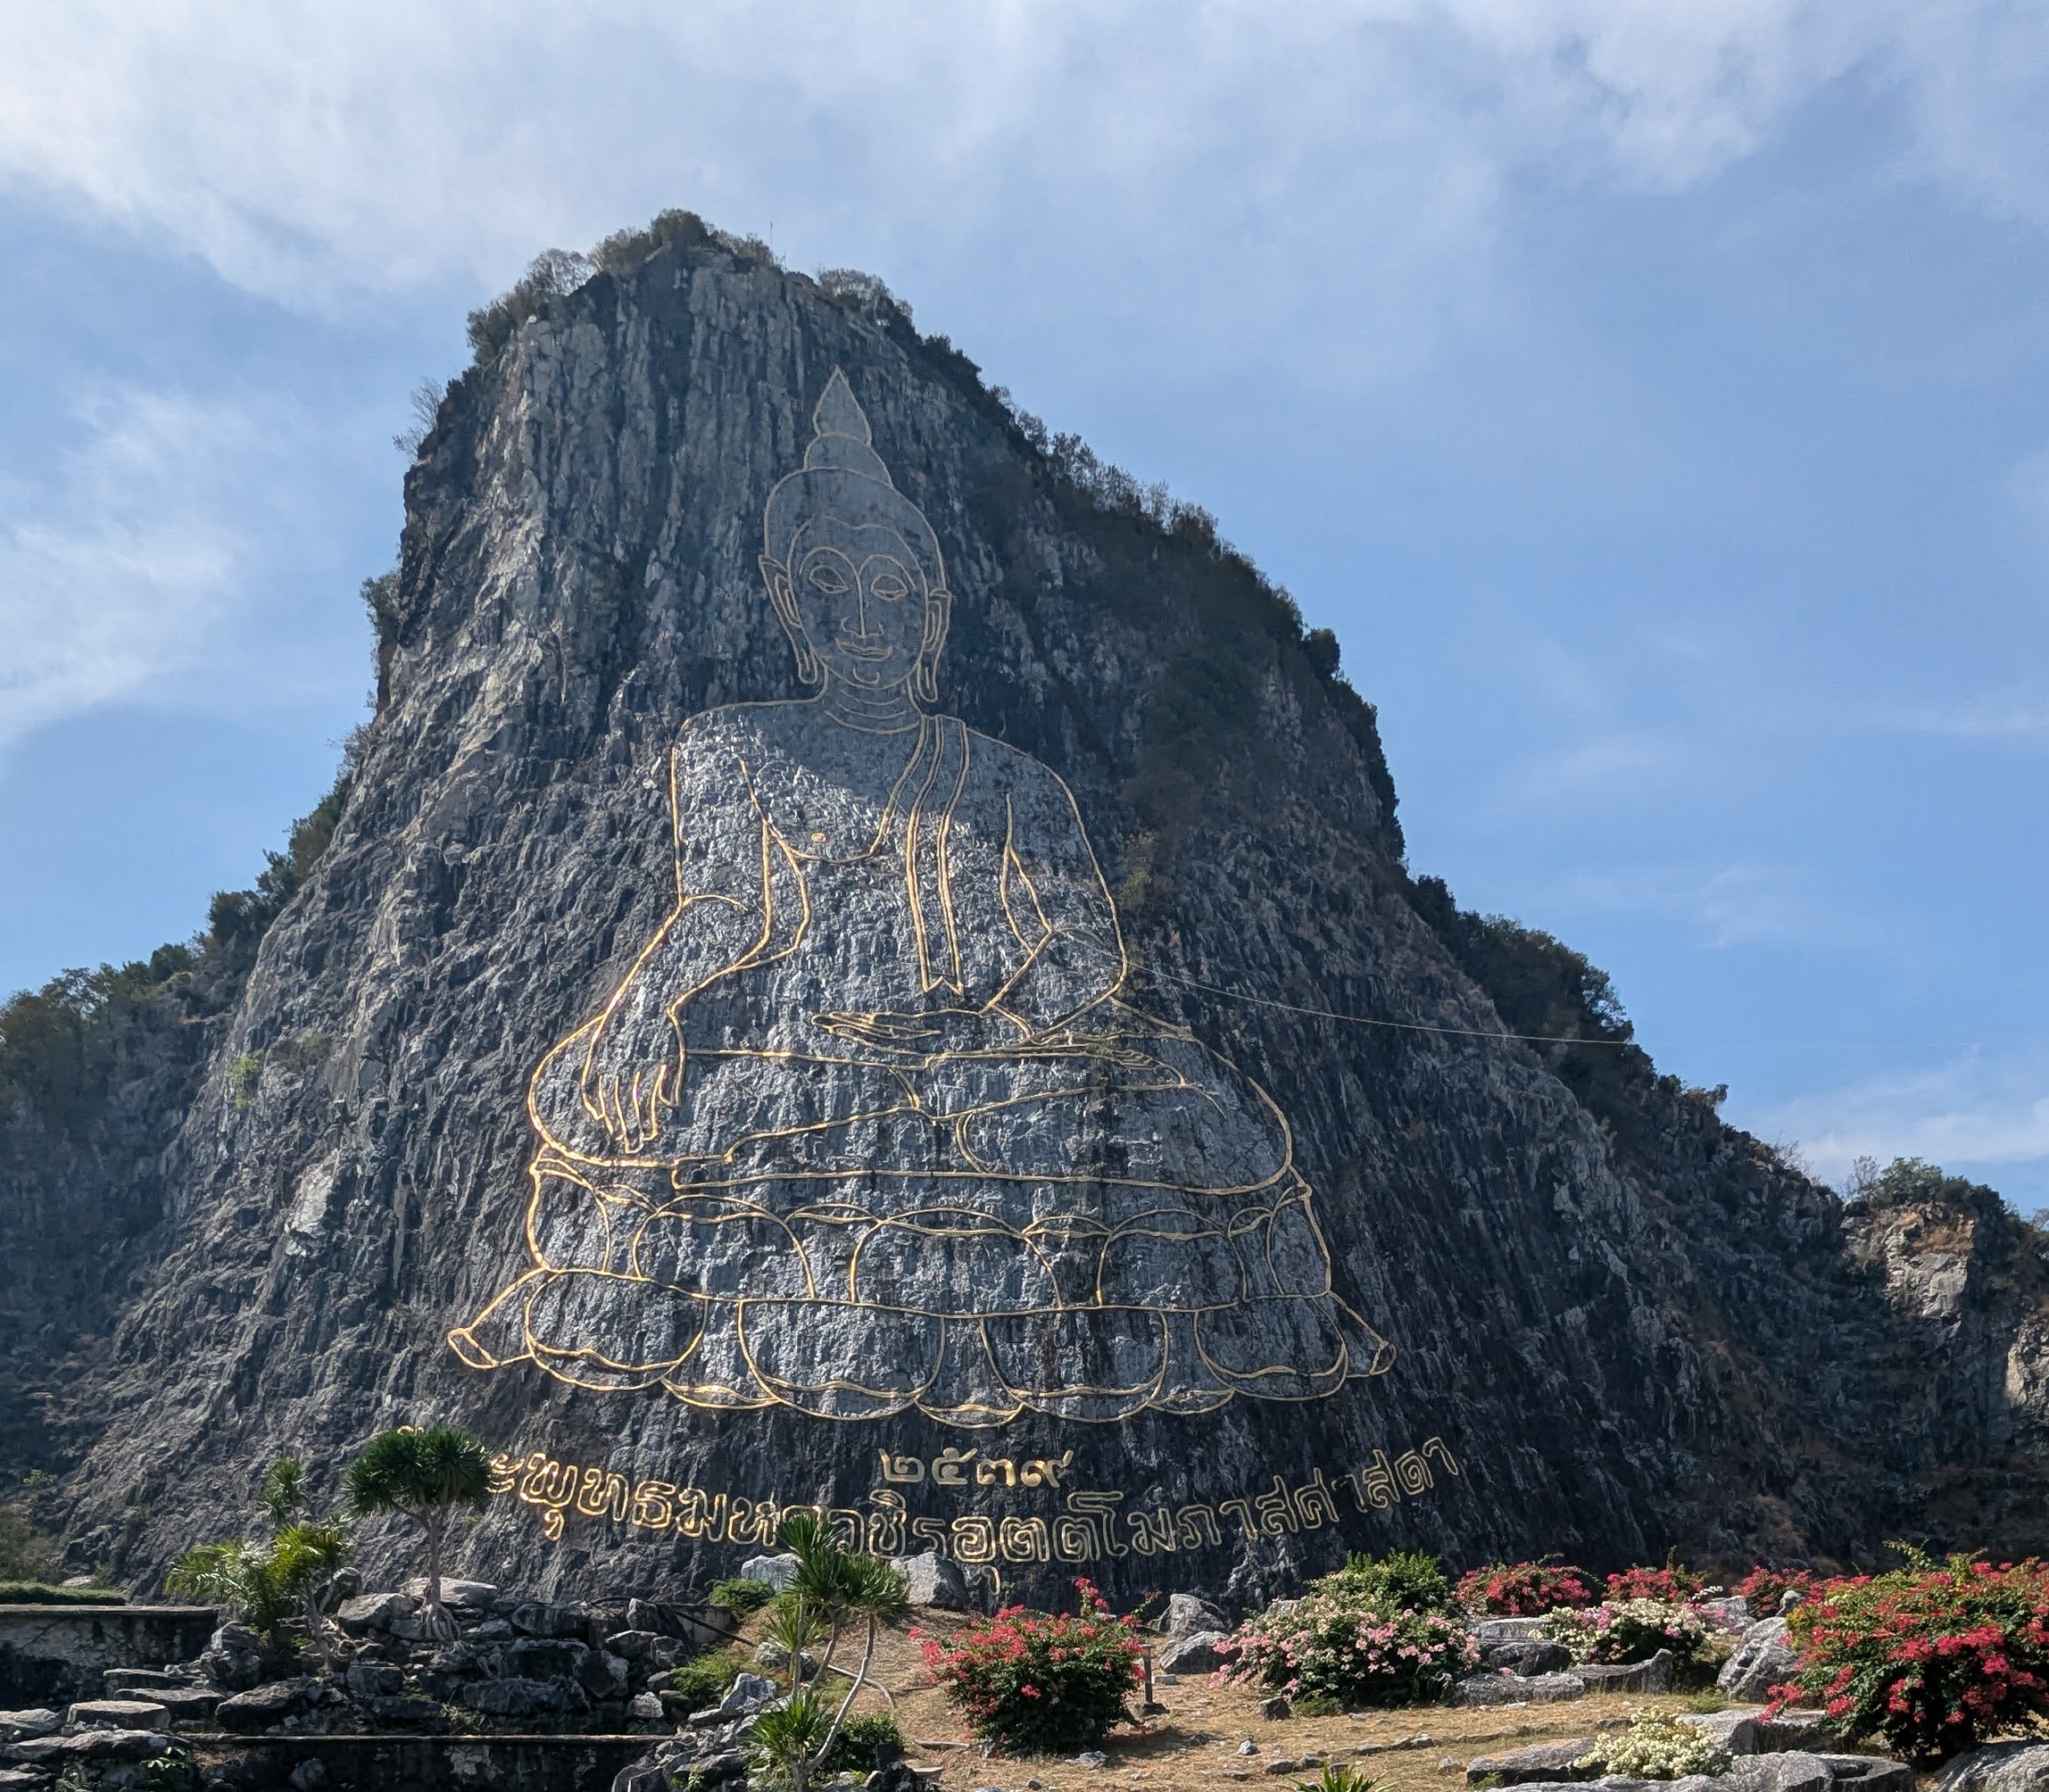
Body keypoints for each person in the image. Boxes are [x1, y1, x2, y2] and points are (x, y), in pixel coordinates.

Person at [450, 372, 1389, 1427]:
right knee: (674, 1109)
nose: (865, 618)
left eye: (893, 590)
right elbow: (725, 906)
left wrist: (992, 1024)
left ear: (933, 611)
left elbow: (1084, 945)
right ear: (790, 601)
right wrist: (641, 1008)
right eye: (830, 586)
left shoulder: (1014, 778)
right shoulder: (733, 745)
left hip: (999, 1058)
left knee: (1185, 1120)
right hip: (803, 1044)